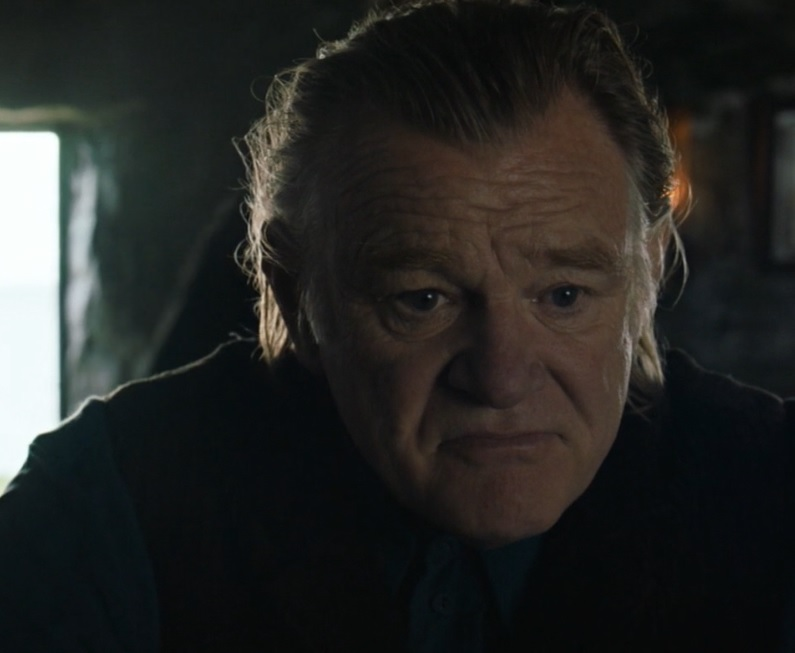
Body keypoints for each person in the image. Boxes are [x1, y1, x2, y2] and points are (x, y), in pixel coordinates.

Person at [1, 1, 794, 651]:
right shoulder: (111, 508)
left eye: (562, 296)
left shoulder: (766, 490)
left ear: (646, 271)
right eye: (422, 300)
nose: (499, 377)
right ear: (295, 293)